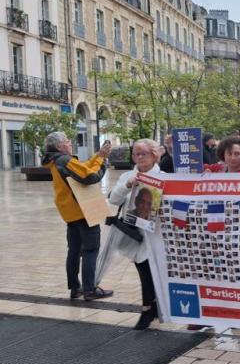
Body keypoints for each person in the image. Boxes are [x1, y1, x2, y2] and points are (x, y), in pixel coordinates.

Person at [42, 131, 114, 301]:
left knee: (74, 251)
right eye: (67, 141)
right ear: (60, 146)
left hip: (70, 213)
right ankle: (89, 290)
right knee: (90, 249)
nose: (70, 143)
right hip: (83, 211)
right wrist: (103, 161)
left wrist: (98, 156)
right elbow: (91, 176)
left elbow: (83, 168)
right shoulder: (64, 160)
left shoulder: (55, 161)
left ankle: (75, 288)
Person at [109, 139, 162, 329]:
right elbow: (114, 200)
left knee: (152, 271)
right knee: (143, 269)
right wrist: (127, 186)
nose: (139, 158)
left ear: (154, 155)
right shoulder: (128, 176)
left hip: (157, 233)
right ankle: (151, 307)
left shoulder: (163, 176)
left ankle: (150, 308)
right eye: (136, 154)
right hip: (134, 233)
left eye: (143, 154)